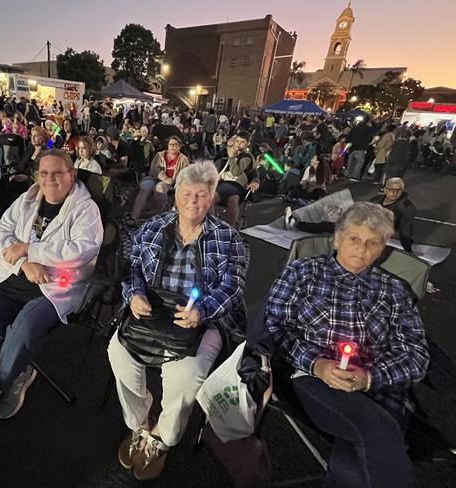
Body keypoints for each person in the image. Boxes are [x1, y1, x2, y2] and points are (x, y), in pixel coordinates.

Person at [266, 202, 429, 488]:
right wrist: (317, 364)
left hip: (381, 387)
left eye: (373, 242)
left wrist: (369, 378)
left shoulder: (394, 290)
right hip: (316, 381)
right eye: (354, 239)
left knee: (353, 467)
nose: (362, 249)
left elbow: (416, 356)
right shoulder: (303, 273)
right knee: (379, 429)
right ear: (338, 237)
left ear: (383, 247)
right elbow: (273, 328)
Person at [108, 162, 250, 481]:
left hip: (202, 319)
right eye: (187, 193)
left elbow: (233, 285)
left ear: (213, 197)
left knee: (185, 374)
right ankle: (139, 423)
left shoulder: (228, 237)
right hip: (153, 310)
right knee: (118, 352)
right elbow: (132, 266)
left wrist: (203, 310)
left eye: (202, 194)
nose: (194, 201)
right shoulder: (153, 227)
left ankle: (162, 436)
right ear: (176, 196)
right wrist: (133, 294)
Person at [0, 149, 103, 431]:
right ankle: (17, 373)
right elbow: (0, 233)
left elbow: (81, 250)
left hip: (56, 284)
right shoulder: (27, 199)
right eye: (45, 173)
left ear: (71, 175)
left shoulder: (86, 209)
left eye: (58, 173)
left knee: (24, 326)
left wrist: (30, 249)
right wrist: (25, 262)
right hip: (16, 275)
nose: (50, 179)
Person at [130, 136, 189, 219]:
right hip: (155, 178)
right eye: (171, 144)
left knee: (160, 188)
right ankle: (134, 217)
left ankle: (156, 212)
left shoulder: (183, 159)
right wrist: (164, 178)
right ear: (167, 146)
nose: (173, 146)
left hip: (172, 182)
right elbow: (153, 169)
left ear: (179, 146)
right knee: (145, 188)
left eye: (175, 145)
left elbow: (185, 174)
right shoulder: (160, 155)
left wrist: (173, 181)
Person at [212, 131, 260, 227]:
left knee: (232, 199)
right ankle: (210, 222)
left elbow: (237, 172)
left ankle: (229, 228)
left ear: (248, 143)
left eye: (242, 142)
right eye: (237, 141)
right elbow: (215, 165)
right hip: (221, 182)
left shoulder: (246, 156)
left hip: (236, 184)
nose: (238, 144)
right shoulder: (226, 153)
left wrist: (232, 157)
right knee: (207, 196)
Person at [369, 177, 416, 253]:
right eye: (392, 189)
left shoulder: (407, 207)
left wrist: (408, 249)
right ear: (385, 189)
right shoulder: (374, 200)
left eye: (398, 190)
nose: (395, 193)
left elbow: (405, 230)